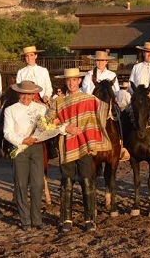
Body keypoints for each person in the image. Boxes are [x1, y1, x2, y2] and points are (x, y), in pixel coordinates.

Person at [47, 68, 113, 233]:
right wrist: (65, 127)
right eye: (68, 80)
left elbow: (105, 110)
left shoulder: (89, 98)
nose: (71, 83)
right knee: (67, 182)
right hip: (67, 146)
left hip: (84, 146)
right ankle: (66, 219)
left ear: (79, 81)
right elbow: (47, 121)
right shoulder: (58, 101)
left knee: (86, 180)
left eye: (74, 80)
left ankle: (90, 219)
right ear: (66, 82)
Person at [3, 80, 48, 231]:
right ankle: (25, 220)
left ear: (34, 94)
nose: (26, 97)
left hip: (36, 148)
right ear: (19, 93)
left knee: (37, 184)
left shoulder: (42, 108)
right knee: (21, 184)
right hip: (20, 148)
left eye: (29, 94)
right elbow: (7, 132)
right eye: (23, 93)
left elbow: (46, 127)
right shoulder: (10, 110)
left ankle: (37, 218)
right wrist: (22, 140)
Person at [81, 50, 128, 161]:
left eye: (102, 60)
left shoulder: (112, 75)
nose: (100, 63)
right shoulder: (89, 75)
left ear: (106, 61)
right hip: (92, 104)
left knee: (119, 117)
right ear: (95, 61)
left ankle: (121, 144)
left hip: (109, 105)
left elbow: (116, 91)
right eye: (98, 60)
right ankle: (84, 145)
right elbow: (84, 90)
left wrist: (113, 99)